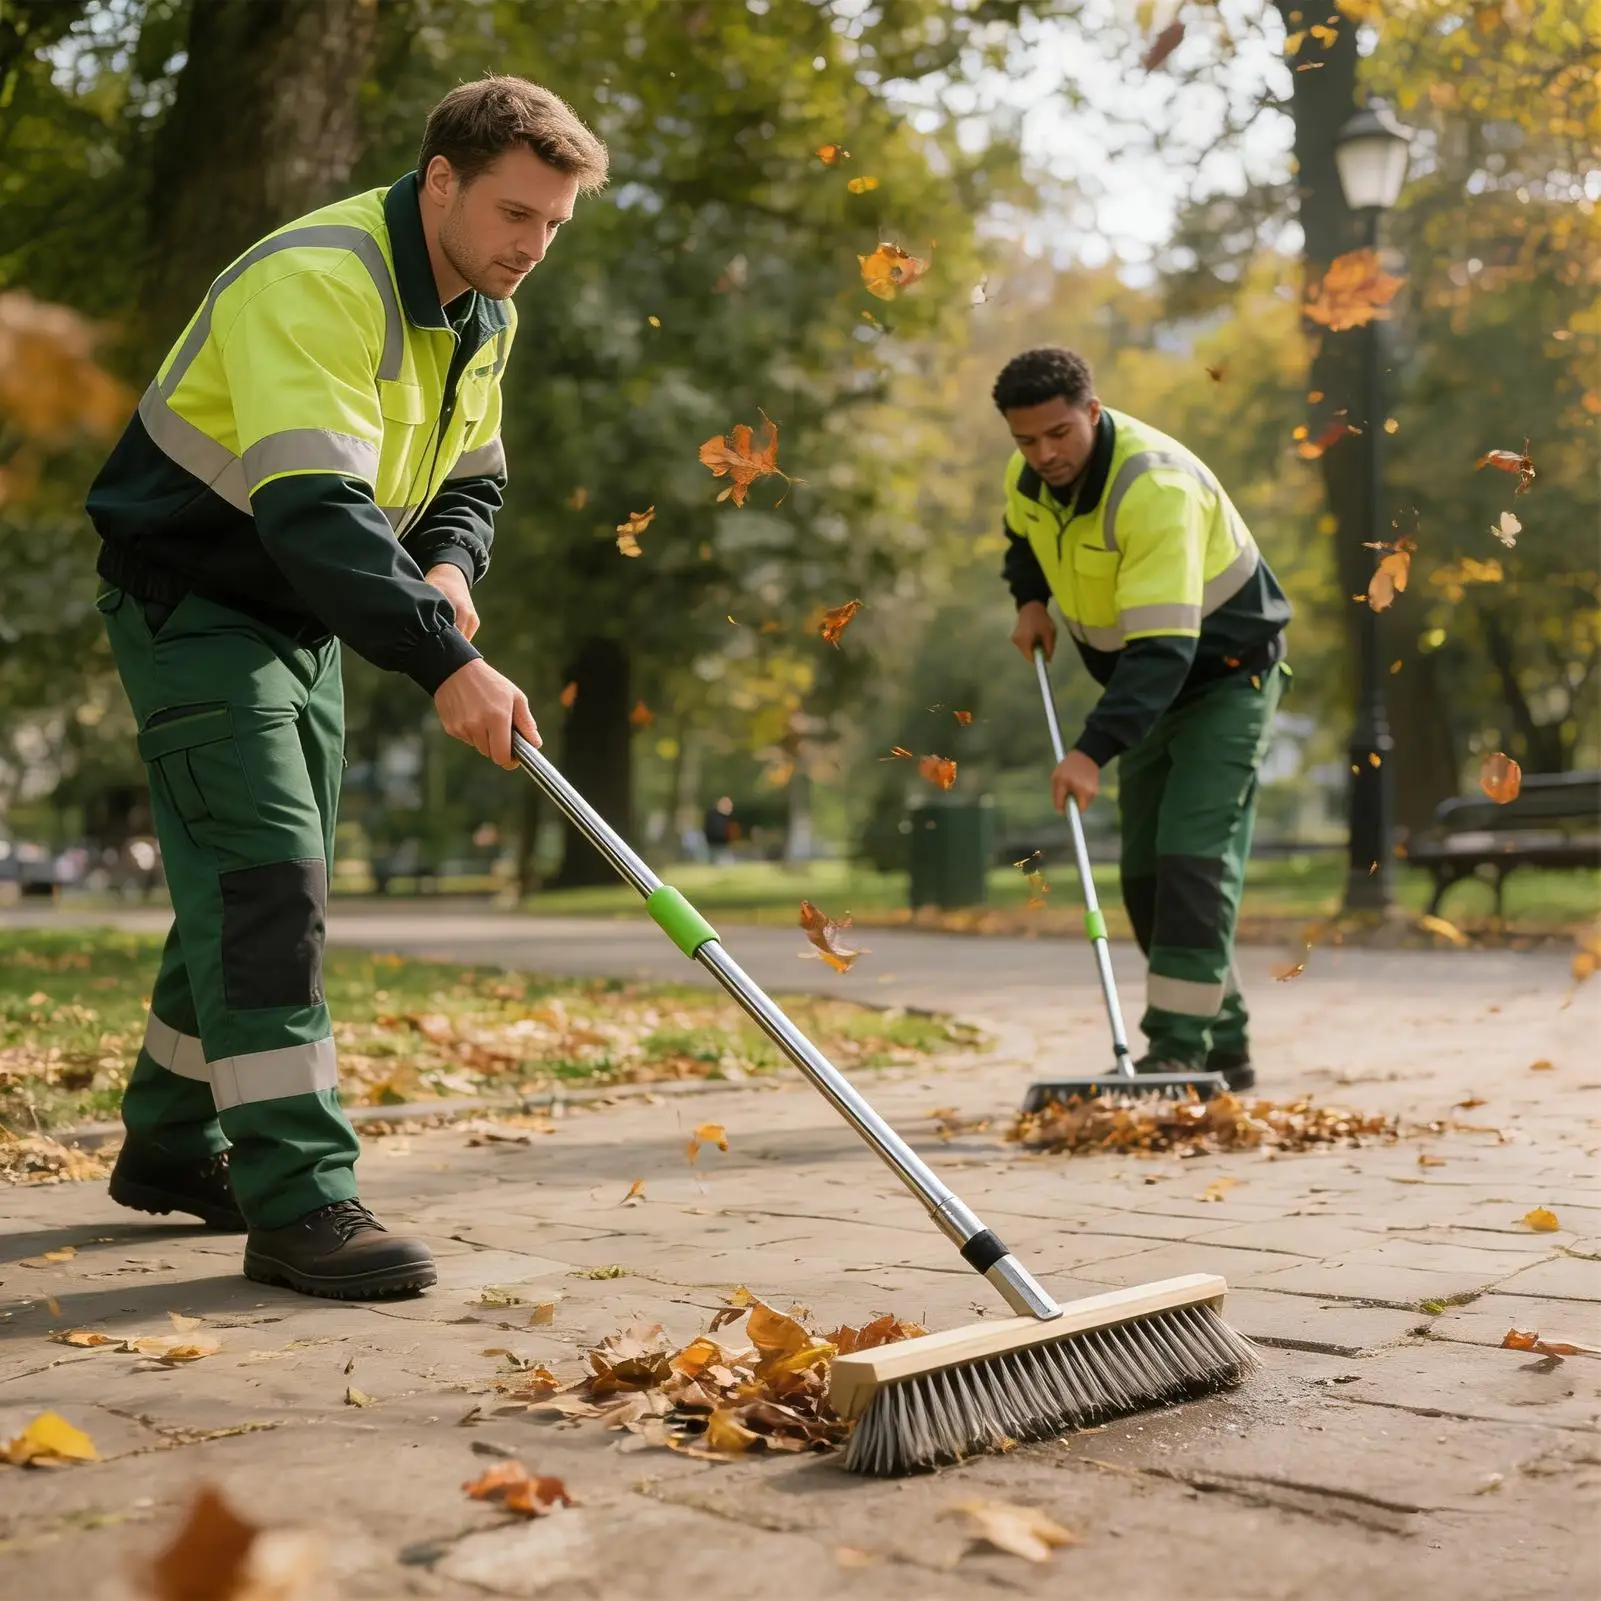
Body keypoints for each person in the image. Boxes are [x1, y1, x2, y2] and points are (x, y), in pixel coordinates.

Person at [87, 76, 608, 1298]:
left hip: (300, 616)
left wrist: (444, 564)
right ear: (440, 180)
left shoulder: (483, 310)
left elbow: (471, 477)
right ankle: (303, 1199)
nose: (531, 247)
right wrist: (447, 662)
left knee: (253, 872)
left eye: (552, 225)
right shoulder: (319, 280)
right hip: (198, 602)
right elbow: (312, 508)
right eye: (515, 214)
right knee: (271, 880)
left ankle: (171, 1144)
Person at [993, 347, 1291, 1090]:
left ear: (1092, 411)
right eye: (1026, 440)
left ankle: (1175, 1054)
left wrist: (1090, 751)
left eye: (1059, 433)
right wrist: (1028, 598)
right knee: (1144, 877)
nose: (1044, 454)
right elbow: (1020, 537)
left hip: (1224, 679)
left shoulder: (1152, 486)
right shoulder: (1028, 474)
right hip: (1145, 687)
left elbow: (1163, 649)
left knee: (1191, 859)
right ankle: (1224, 1046)